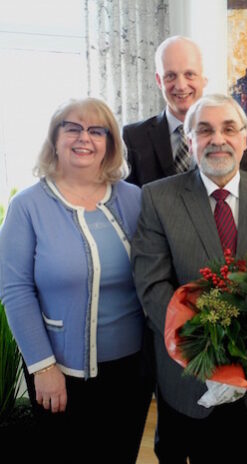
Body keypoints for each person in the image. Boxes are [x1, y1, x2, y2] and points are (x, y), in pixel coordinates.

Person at [131, 93, 247, 463]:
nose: (218, 139)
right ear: (189, 141)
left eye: (229, 129)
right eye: (204, 130)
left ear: (244, 139)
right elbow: (152, 287)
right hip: (191, 381)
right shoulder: (158, 199)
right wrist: (210, 347)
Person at [0, 98, 152, 463]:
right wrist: (43, 366)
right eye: (72, 127)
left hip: (130, 373)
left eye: (96, 130)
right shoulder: (28, 206)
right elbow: (15, 290)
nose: (84, 138)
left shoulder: (136, 200)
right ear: (55, 139)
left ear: (110, 143)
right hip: (61, 372)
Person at [122, 35, 247, 187]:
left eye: (189, 74)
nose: (181, 86)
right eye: (170, 76)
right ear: (159, 81)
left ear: (204, 78)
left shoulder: (236, 134)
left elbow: (244, 194)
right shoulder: (133, 137)